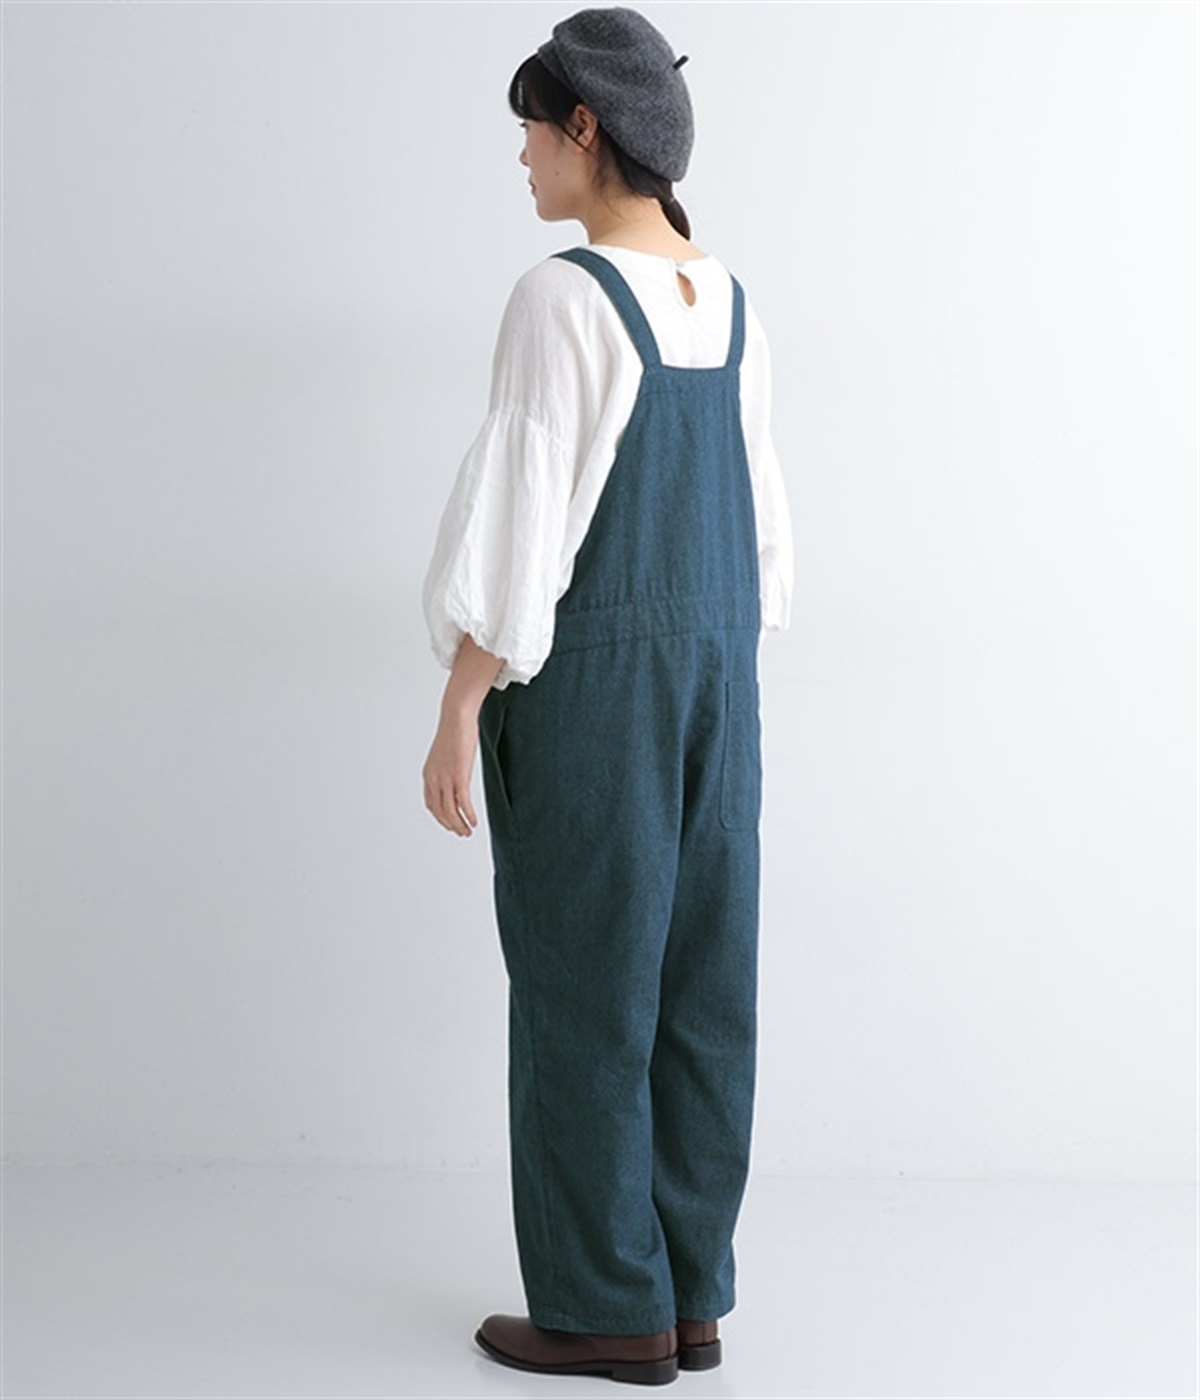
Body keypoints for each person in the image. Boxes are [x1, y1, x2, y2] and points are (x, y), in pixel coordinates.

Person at [421, 6, 793, 1386]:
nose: (522, 154)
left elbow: (520, 528)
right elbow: (764, 540)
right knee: (704, 991)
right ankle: (689, 1298)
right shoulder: (732, 300)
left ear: (587, 129)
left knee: (586, 987)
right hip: (721, 686)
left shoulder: (562, 297)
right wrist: (718, 674)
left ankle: (602, 1307)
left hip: (597, 691)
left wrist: (461, 705)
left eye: (533, 126)